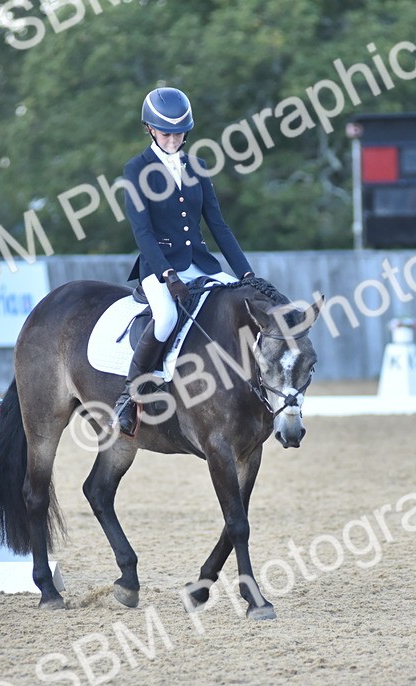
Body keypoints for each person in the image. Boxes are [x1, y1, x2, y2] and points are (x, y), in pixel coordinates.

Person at [113, 87, 255, 437]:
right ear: (150, 129)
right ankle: (130, 396)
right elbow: (142, 232)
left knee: (242, 306)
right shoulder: (136, 169)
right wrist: (167, 273)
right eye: (166, 133)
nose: (173, 140)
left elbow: (218, 225)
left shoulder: (198, 166)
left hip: (200, 263)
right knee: (166, 318)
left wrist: (246, 273)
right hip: (158, 266)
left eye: (179, 133)